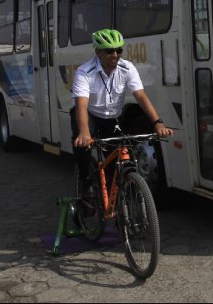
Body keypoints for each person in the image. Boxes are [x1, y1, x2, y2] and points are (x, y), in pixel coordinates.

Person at [71, 29, 173, 195]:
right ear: (97, 52)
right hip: (89, 114)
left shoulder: (127, 68)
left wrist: (157, 123)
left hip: (111, 116)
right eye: (109, 51)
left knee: (117, 160)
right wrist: (84, 133)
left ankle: (117, 202)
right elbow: (81, 104)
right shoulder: (85, 72)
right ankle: (85, 182)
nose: (115, 55)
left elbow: (140, 95)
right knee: (82, 146)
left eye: (119, 50)